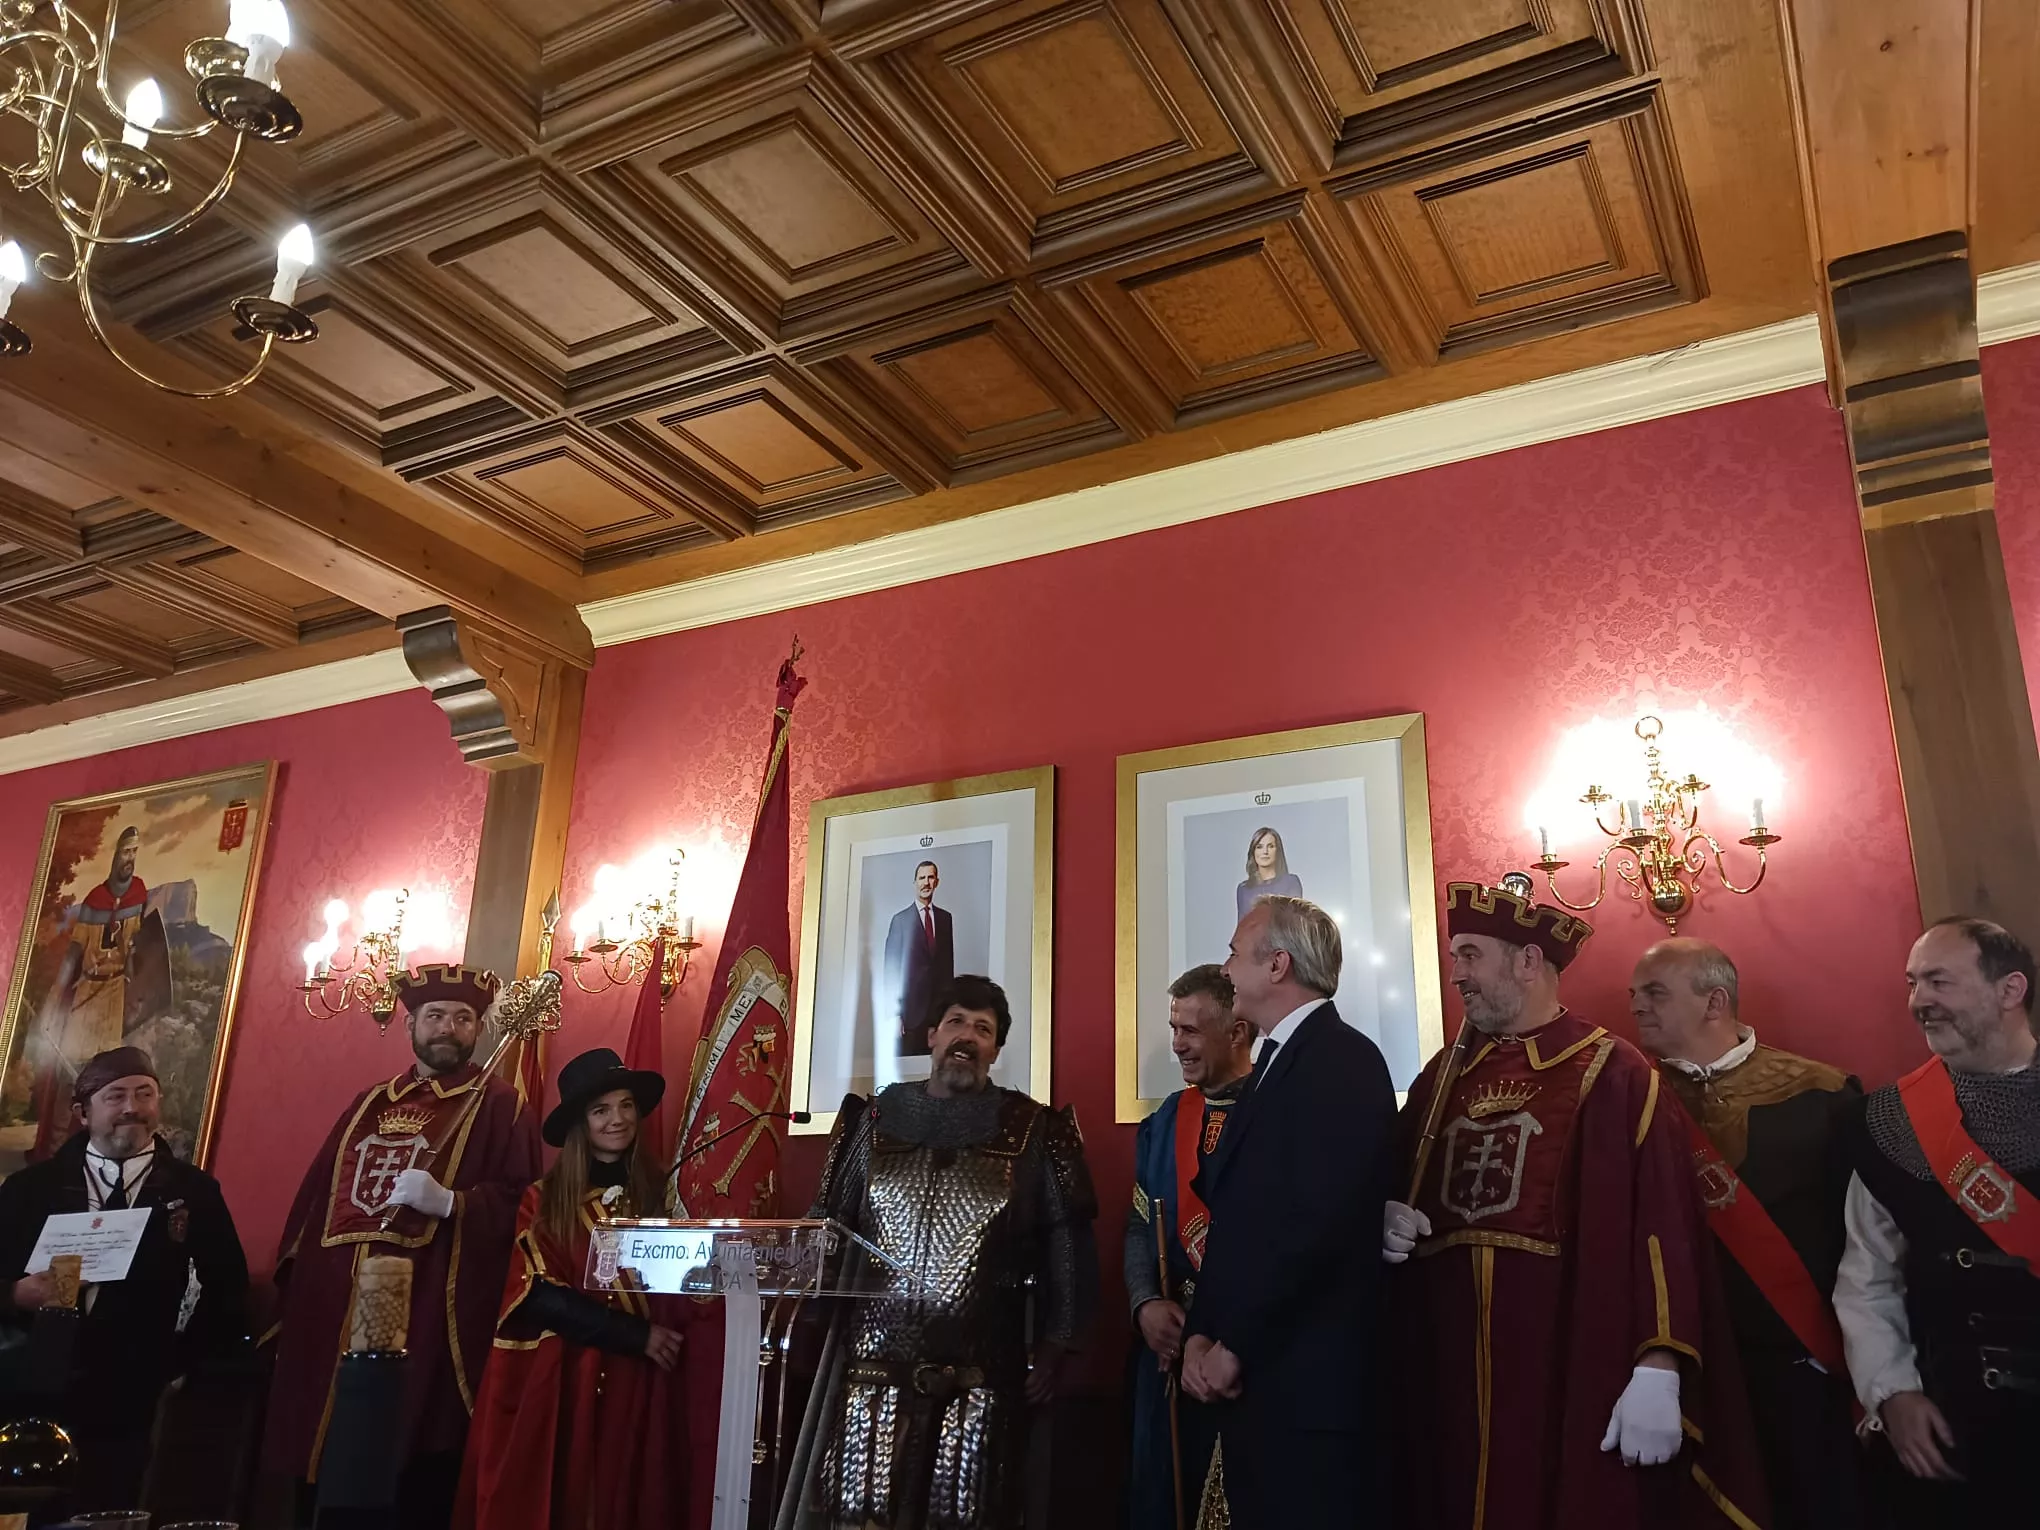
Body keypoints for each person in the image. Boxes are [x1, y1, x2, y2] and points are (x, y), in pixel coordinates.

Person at [1382, 880, 1767, 1530]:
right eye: (1455, 958)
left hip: (1565, 1359)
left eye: (1471, 956)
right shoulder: (1440, 1078)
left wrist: (1660, 1361)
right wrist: (1383, 1215)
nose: (1457, 976)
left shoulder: (1612, 1074)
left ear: (1528, 961)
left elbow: (1662, 1224)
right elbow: (1392, 1180)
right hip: (1444, 1368)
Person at [808, 974, 1098, 1529]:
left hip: (980, 1377)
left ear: (996, 1049)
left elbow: (1068, 1240)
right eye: (957, 1022)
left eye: (983, 1029)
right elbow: (827, 1228)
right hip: (873, 1370)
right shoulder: (871, 1120)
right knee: (858, 1517)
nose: (968, 1036)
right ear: (933, 1035)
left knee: (964, 1520)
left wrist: (1058, 1343)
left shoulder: (1034, 1129)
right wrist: (815, 1324)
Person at [265, 964, 541, 1530]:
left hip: (428, 1312)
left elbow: (525, 1204)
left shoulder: (498, 1104)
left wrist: (452, 1204)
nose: (448, 1028)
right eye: (435, 1016)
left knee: (408, 1455)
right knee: (329, 1456)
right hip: (337, 1310)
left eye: (463, 1018)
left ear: (478, 1030)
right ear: (410, 1024)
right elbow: (315, 1200)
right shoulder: (367, 1104)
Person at [1630, 937, 1865, 1530]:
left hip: (1800, 1369)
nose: (1636, 1006)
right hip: (1687, 1368)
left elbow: (1867, 1243)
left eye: (1654, 992)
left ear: (1714, 1002)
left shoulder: (1825, 1094)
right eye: (1634, 994)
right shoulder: (1625, 1100)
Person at [1178, 896, 1396, 1529]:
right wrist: (1202, 1330)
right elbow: (1240, 1219)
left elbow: (1317, 1227)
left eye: (1233, 952)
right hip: (1263, 1380)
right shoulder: (1274, 1060)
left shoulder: (1344, 1061)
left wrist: (1234, 1345)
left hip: (1309, 1387)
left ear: (1277, 965)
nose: (1225, 968)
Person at [1834, 916, 2040, 1524]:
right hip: (1964, 1424)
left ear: (2010, 990)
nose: (1919, 1001)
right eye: (1913, 983)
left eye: (1939, 982)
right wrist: (1891, 1391)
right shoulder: (1883, 1126)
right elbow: (1867, 1278)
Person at [0, 1046, 248, 1513]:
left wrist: (181, 1363)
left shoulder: (194, 1192)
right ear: (82, 1112)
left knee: (115, 1506)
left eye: (144, 1094)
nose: (132, 1108)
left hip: (137, 1390)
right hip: (33, 1383)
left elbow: (227, 1292)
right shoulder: (28, 1190)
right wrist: (15, 1293)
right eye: (115, 1096)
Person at [454, 1047, 690, 1529]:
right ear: (581, 1123)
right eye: (601, 1110)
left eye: (625, 1105)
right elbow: (535, 1294)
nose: (618, 1119)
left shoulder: (666, 1192)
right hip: (578, 1376)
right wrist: (635, 1337)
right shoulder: (544, 1198)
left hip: (654, 1377)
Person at [1125, 964, 1255, 1530]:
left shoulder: (1279, 1110)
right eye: (1173, 1028)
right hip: (1171, 1351)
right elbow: (1138, 1227)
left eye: (1191, 1031)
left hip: (1251, 1352)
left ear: (1238, 1031)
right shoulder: (1165, 1123)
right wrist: (1144, 1305)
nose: (1176, 1044)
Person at [28, 827, 169, 1161]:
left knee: (109, 1080)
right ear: (115, 855)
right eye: (125, 853)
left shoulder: (138, 893)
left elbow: (139, 951)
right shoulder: (94, 899)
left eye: (135, 853)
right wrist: (54, 1001)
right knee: (69, 1075)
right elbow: (75, 953)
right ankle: (54, 1155)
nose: (130, 860)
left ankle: (93, 1157)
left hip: (116, 995)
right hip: (88, 991)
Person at [884, 860, 955, 1056]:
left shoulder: (945, 919)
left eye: (930, 877)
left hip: (938, 1019)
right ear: (915, 882)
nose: (926, 883)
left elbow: (947, 968)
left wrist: (949, 1015)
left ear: (937, 882)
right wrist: (894, 1015)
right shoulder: (900, 921)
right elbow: (890, 972)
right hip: (909, 1018)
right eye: (922, 878)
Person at [1232, 828, 1303, 923]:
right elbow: (1242, 927)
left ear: (1277, 851)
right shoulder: (1244, 889)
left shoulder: (1290, 882)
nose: (1265, 852)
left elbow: (1295, 922)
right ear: (1253, 852)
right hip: (1253, 938)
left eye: (1270, 846)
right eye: (1259, 847)